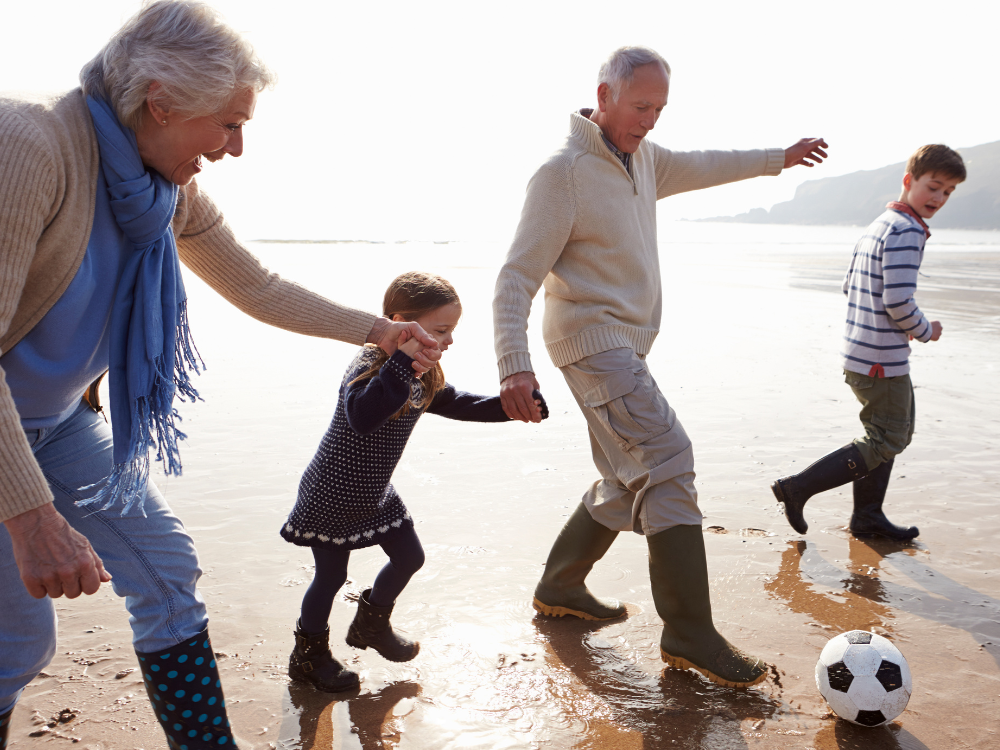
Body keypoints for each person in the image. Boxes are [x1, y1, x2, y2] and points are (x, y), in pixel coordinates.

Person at [0, 2, 439, 748]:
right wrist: (32, 516)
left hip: (57, 421)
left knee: (168, 572)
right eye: (229, 124)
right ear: (161, 101)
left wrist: (380, 332)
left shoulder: (161, 188)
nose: (235, 148)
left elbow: (257, 285)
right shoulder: (28, 145)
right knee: (15, 646)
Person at [492, 45, 829, 689]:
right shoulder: (561, 175)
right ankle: (689, 632)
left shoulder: (645, 159)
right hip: (592, 344)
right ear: (605, 95)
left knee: (628, 476)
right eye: (641, 105)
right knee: (668, 459)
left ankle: (561, 585)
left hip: (623, 345)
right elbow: (515, 278)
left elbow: (706, 164)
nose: (650, 119)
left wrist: (776, 160)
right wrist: (514, 366)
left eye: (660, 108)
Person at [280, 272, 547, 692]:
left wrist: (509, 407)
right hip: (332, 491)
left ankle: (371, 625)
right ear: (403, 323)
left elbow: (454, 401)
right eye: (441, 330)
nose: (449, 341)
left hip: (374, 491)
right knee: (330, 579)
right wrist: (402, 362)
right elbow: (363, 416)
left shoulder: (423, 373)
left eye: (451, 331)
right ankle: (308, 657)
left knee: (410, 558)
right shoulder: (370, 362)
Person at [771, 145, 966, 542]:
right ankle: (798, 488)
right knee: (889, 436)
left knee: (891, 431)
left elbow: (851, 285)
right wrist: (925, 328)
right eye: (933, 187)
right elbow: (897, 300)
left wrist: (892, 321)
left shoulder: (882, 222)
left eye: (947, 192)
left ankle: (867, 516)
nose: (938, 198)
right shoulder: (908, 231)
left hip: (860, 350)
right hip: (881, 359)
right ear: (909, 181)